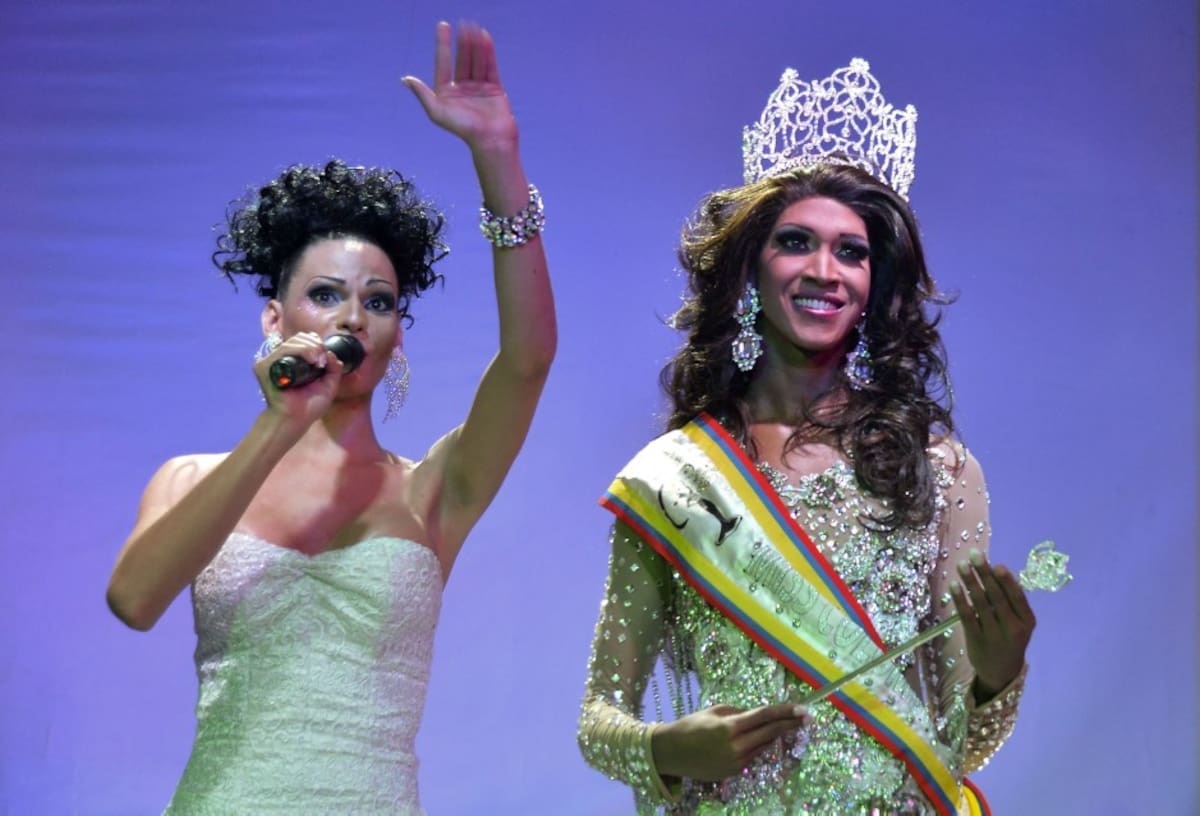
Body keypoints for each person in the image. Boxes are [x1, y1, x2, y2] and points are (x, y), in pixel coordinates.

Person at [105, 21, 554, 813]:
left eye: (378, 301)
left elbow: (528, 359)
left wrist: (499, 159)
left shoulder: (433, 490)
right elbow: (134, 602)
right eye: (325, 294)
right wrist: (277, 425)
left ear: (397, 333)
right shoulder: (189, 478)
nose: (353, 316)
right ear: (274, 319)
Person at [578, 60, 1033, 815]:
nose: (826, 271)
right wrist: (666, 748)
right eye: (796, 242)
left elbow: (956, 748)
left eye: (852, 252)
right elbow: (597, 720)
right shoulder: (675, 478)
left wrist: (998, 674)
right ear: (749, 272)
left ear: (875, 285)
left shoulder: (939, 470)